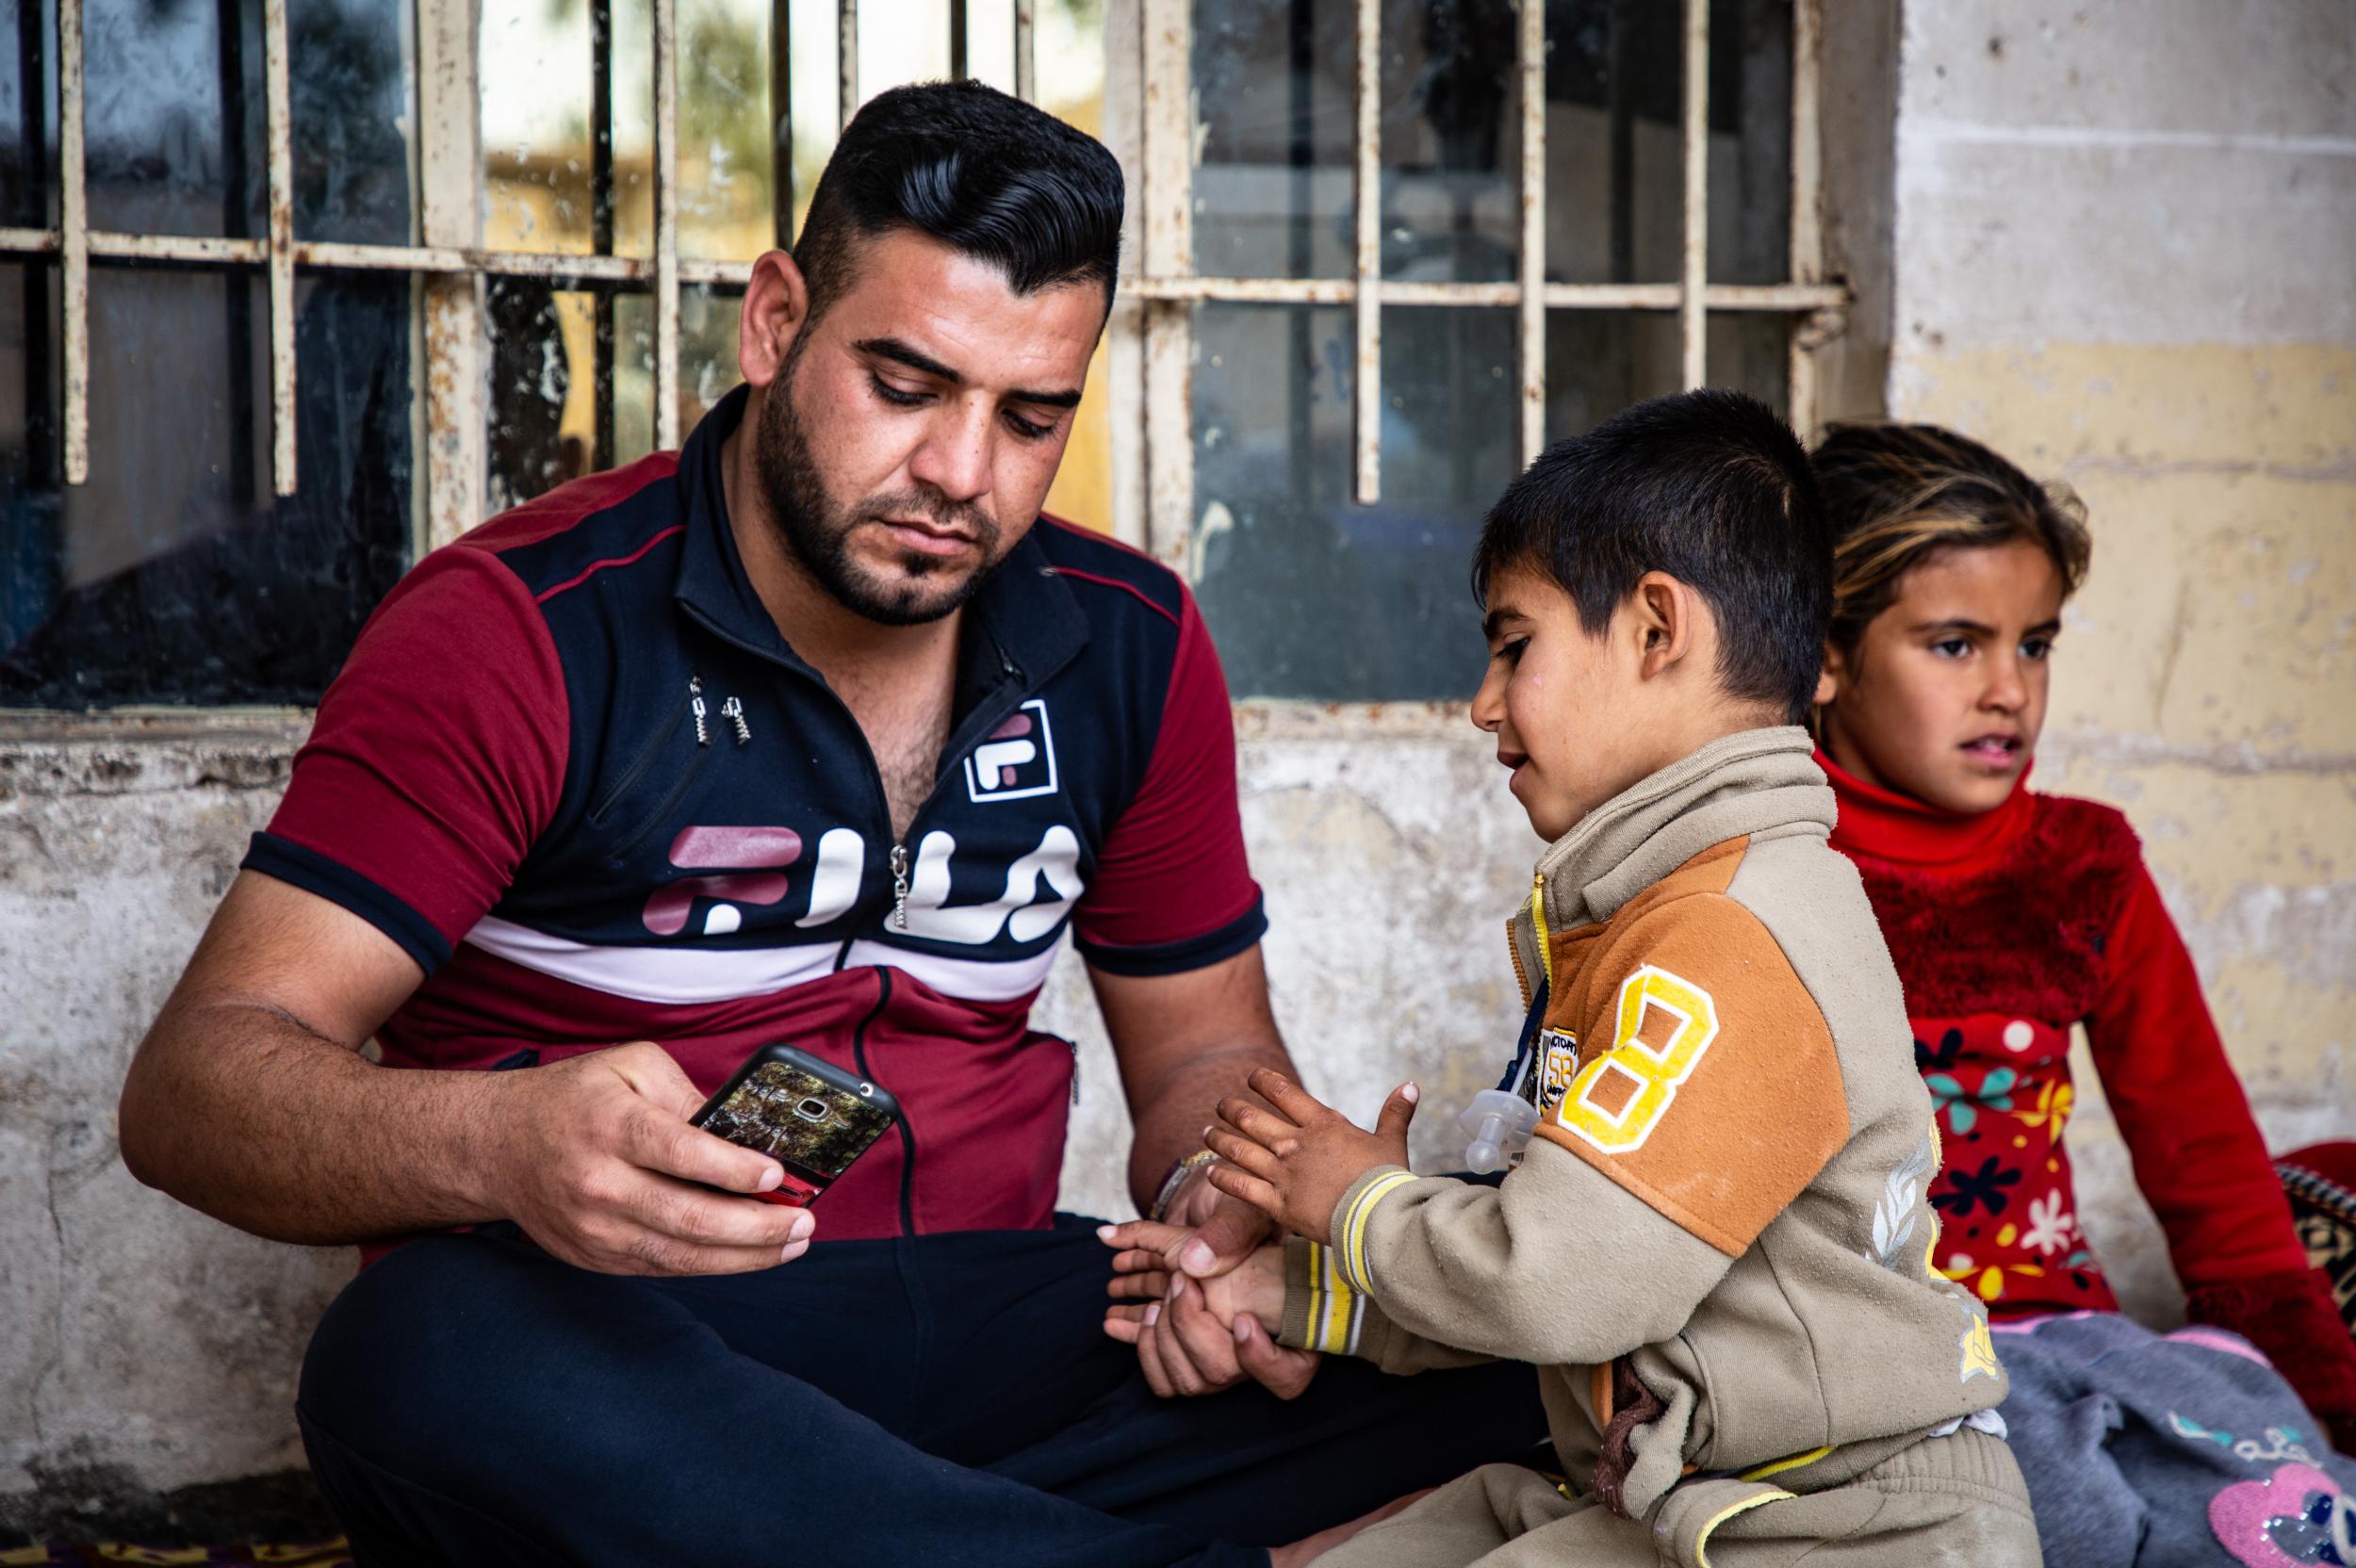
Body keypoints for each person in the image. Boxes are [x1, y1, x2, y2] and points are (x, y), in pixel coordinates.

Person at [114, 81, 1541, 1566]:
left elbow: (1204, 1059)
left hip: (987, 1326)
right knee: (409, 1356)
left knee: (1498, 1343)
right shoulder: (522, 633)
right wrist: (500, 1144)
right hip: (628, 1352)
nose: (961, 475)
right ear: (778, 319)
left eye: (1031, 417)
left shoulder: (1129, 643)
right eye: (908, 387)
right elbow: (193, 1090)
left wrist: (1221, 1214)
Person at [1104, 391, 2041, 1566]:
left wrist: (1355, 1199)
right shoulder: (1653, 909)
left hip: (1840, 1526)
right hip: (1676, 1493)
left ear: (1657, 630)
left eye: (1513, 645)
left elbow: (1560, 1280)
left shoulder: (1727, 933)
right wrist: (1288, 1287)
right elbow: (1564, 1257)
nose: (1483, 703)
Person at [1809, 421, 2356, 1565]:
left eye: (2037, 642)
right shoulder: (1769, 865)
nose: (2009, 687)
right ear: (1825, 654)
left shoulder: (2082, 867)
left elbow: (2205, 1160)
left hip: (2068, 1338)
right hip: (1853, 1367)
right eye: (1955, 644)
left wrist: (2321, 1398)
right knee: (2062, 1529)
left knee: (2292, 1513)